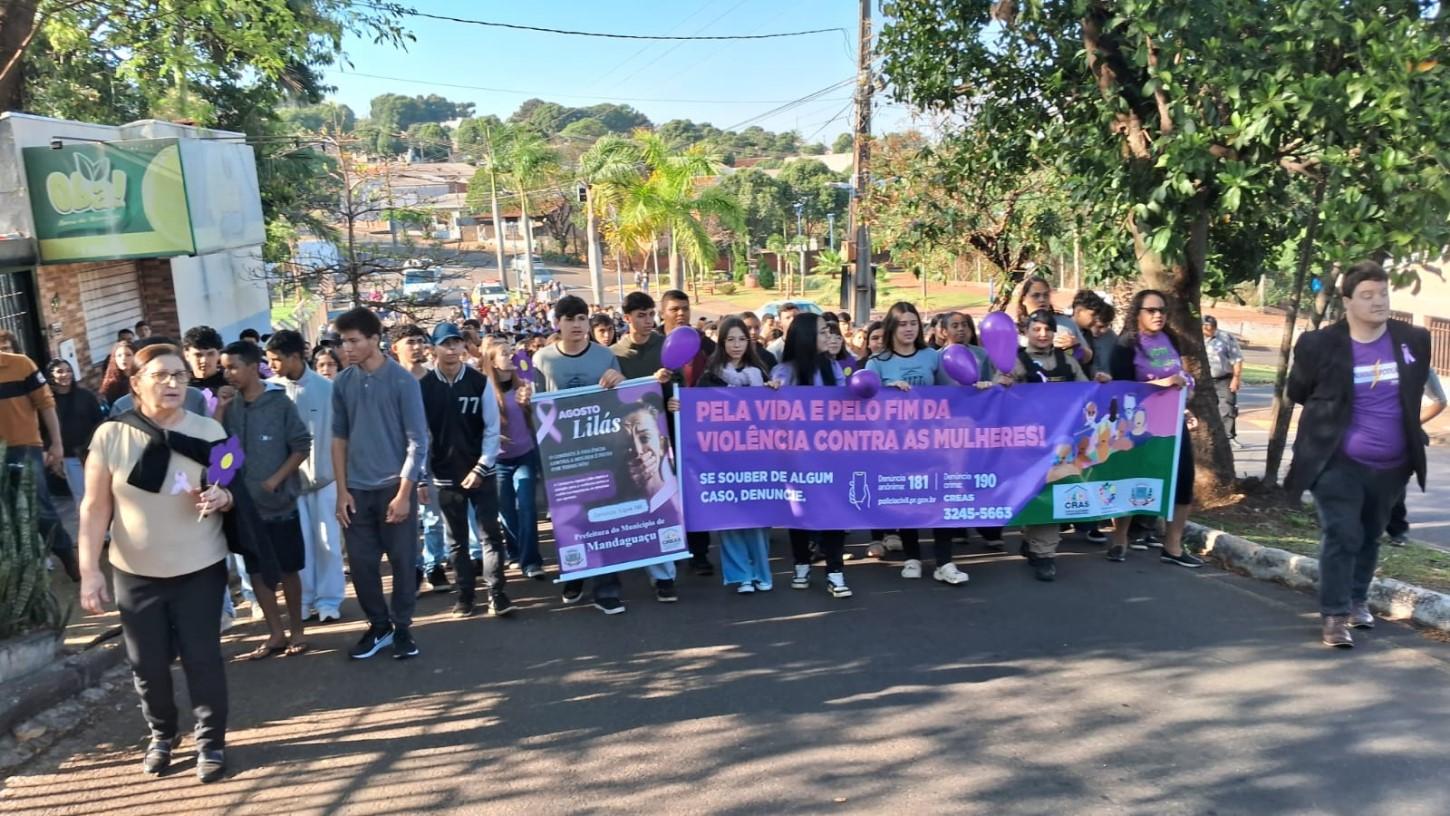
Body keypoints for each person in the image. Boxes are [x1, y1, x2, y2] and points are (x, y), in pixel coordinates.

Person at [76, 343, 241, 783]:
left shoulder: (209, 431)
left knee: (202, 658)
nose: (172, 384)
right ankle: (162, 735)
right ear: (135, 384)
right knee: (146, 665)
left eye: (180, 376)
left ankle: (211, 742)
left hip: (200, 567)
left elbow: (229, 485)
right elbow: (94, 508)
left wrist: (222, 496)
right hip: (134, 571)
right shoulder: (110, 435)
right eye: (161, 376)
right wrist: (90, 572)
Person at [1286, 262, 1435, 648]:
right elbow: (1299, 392)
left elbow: (1418, 391)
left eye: (1383, 293)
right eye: (1367, 295)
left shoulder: (1414, 338)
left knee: (1370, 535)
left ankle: (1356, 600)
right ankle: (1334, 617)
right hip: (1337, 461)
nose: (1378, 301)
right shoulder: (1319, 344)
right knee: (1342, 532)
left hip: (1392, 466)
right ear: (1347, 301)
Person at [522, 294, 676, 614]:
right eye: (570, 320)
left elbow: (623, 400)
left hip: (602, 451)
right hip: (563, 454)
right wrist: (526, 401)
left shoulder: (604, 356)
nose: (577, 325)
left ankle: (607, 589)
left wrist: (620, 382)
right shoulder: (543, 360)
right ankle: (576, 573)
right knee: (571, 517)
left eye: (582, 319)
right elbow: (537, 410)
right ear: (557, 324)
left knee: (604, 516)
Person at [331, 307, 430, 660]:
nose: (347, 348)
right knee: (361, 563)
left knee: (403, 561)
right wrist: (341, 490)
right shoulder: (342, 382)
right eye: (343, 341)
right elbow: (338, 438)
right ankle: (378, 625)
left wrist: (405, 492)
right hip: (356, 490)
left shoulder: (403, 381)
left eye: (354, 340)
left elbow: (418, 440)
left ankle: (402, 627)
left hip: (394, 487)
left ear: (375, 339)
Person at [1000, 309, 1112, 581]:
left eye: (1047, 330)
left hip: (1061, 441)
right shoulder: (1016, 361)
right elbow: (998, 393)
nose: (1042, 335)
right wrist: (1001, 384)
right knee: (1033, 492)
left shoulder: (1067, 361)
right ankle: (1033, 539)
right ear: (1026, 332)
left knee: (1052, 490)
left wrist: (1100, 383)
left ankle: (1044, 554)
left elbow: (1085, 392)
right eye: (1036, 329)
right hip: (1026, 441)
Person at [217, 341, 311, 659]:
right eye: (224, 368)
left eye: (232, 367)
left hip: (280, 505)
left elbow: (301, 445)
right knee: (256, 571)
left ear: (253, 366)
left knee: (288, 569)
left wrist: (277, 478)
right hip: (245, 508)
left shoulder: (279, 403)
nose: (227, 373)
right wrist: (219, 410)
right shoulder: (231, 407)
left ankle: (297, 629)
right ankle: (275, 633)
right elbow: (221, 451)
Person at [865, 302, 970, 586]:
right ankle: (912, 556)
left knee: (939, 498)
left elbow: (952, 394)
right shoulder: (877, 362)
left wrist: (980, 389)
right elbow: (865, 402)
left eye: (913, 323)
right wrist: (888, 391)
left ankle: (945, 561)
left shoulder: (931, 356)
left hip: (933, 440)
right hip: (895, 443)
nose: (909, 328)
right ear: (891, 328)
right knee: (908, 498)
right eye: (903, 323)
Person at [419, 322, 512, 618]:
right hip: (445, 475)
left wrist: (482, 466)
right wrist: (422, 476)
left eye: (456, 343)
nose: (451, 349)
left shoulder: (478, 381)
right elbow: (420, 436)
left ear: (463, 346)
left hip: (481, 471)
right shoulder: (423, 388)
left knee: (490, 534)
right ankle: (466, 595)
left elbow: (491, 428)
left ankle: (497, 593)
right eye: (444, 344)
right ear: (432, 348)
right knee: (456, 540)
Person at [1106, 290, 1204, 569]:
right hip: (1139, 425)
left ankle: (1172, 546)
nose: (1158, 315)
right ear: (1137, 313)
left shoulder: (1169, 338)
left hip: (1172, 423)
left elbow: (1179, 372)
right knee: (1133, 479)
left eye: (1162, 310)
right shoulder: (1125, 345)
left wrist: (1186, 388)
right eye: (1151, 310)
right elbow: (1121, 390)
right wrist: (1162, 385)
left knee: (1183, 480)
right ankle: (1120, 537)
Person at [696, 316, 781, 593]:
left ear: (749, 341)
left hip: (758, 458)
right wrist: (678, 405)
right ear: (721, 342)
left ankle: (760, 572)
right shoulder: (710, 377)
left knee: (758, 517)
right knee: (730, 516)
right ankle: (739, 574)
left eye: (741, 339)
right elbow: (696, 412)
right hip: (723, 459)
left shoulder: (762, 374)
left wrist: (774, 393)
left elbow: (778, 415)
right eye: (730, 339)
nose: (736, 344)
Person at [265, 330, 345, 623]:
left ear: (296, 357)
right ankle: (302, 600)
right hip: (287, 486)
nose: (271, 365)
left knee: (328, 544)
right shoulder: (269, 390)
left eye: (276, 359)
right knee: (298, 548)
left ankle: (329, 601)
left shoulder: (328, 389)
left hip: (325, 481)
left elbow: (340, 437)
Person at [771, 313, 852, 599]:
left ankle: (835, 571)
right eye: (822, 332)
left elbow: (846, 403)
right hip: (796, 457)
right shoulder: (783, 372)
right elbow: (773, 411)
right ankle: (801, 565)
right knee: (798, 511)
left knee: (833, 512)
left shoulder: (832, 367)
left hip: (831, 454)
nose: (829, 336)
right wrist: (773, 393)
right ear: (806, 336)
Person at [0, 332, 76, 579]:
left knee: (40, 508)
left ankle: (67, 557)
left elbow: (46, 403)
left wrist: (56, 443)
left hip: (24, 447)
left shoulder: (21, 364)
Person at [658, 289, 716, 575]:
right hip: (661, 433)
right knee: (665, 492)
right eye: (674, 309)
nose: (681, 313)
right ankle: (667, 548)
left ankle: (699, 552)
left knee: (696, 491)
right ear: (663, 312)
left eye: (685, 308)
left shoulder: (704, 345)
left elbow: (717, 381)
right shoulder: (653, 345)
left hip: (698, 434)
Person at [480, 334, 545, 580]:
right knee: (506, 511)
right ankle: (515, 552)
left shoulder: (523, 387)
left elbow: (539, 419)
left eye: (511, 352)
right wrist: (492, 438)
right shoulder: (486, 391)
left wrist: (530, 403)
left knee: (527, 506)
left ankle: (532, 560)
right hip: (499, 461)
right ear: (494, 362)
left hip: (524, 456)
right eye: (505, 354)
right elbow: (478, 425)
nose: (512, 357)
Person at [391, 323, 450, 592]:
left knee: (433, 517)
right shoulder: (390, 381)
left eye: (419, 341)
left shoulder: (435, 379)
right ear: (395, 349)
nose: (416, 347)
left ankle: (434, 565)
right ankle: (412, 566)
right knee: (407, 518)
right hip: (399, 459)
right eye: (409, 342)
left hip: (434, 458)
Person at [46, 358, 105, 505]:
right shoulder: (47, 402)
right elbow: (44, 430)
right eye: (60, 371)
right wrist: (53, 457)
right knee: (82, 498)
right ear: (51, 375)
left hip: (93, 453)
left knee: (102, 494)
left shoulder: (85, 396)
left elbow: (100, 422)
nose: (65, 374)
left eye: (68, 371)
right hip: (69, 457)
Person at [1014, 276, 1091, 368]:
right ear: (1024, 299)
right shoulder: (1014, 331)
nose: (1042, 300)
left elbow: (1088, 357)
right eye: (1036, 295)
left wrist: (1076, 346)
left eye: (1046, 295)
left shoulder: (1066, 323)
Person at [1202, 316, 1245, 447]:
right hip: (1204, 379)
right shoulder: (1196, 337)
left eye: (1211, 328)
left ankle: (1228, 437)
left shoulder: (1226, 338)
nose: (1208, 330)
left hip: (1223, 377)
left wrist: (1236, 378)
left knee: (1227, 406)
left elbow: (1237, 359)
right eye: (1205, 327)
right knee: (1204, 408)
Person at [611, 291, 665, 379]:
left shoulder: (665, 345)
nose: (649, 321)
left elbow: (680, 383)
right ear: (627, 318)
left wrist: (667, 379)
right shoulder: (614, 354)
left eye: (651, 314)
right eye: (641, 315)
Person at [183, 326, 227, 393]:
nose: (204, 360)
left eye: (210, 354)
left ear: (219, 354)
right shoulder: (181, 386)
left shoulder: (231, 383)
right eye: (198, 355)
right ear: (187, 355)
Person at [99, 339, 136, 404]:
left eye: (128, 355)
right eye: (119, 355)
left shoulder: (144, 378)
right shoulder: (111, 384)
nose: (123, 359)